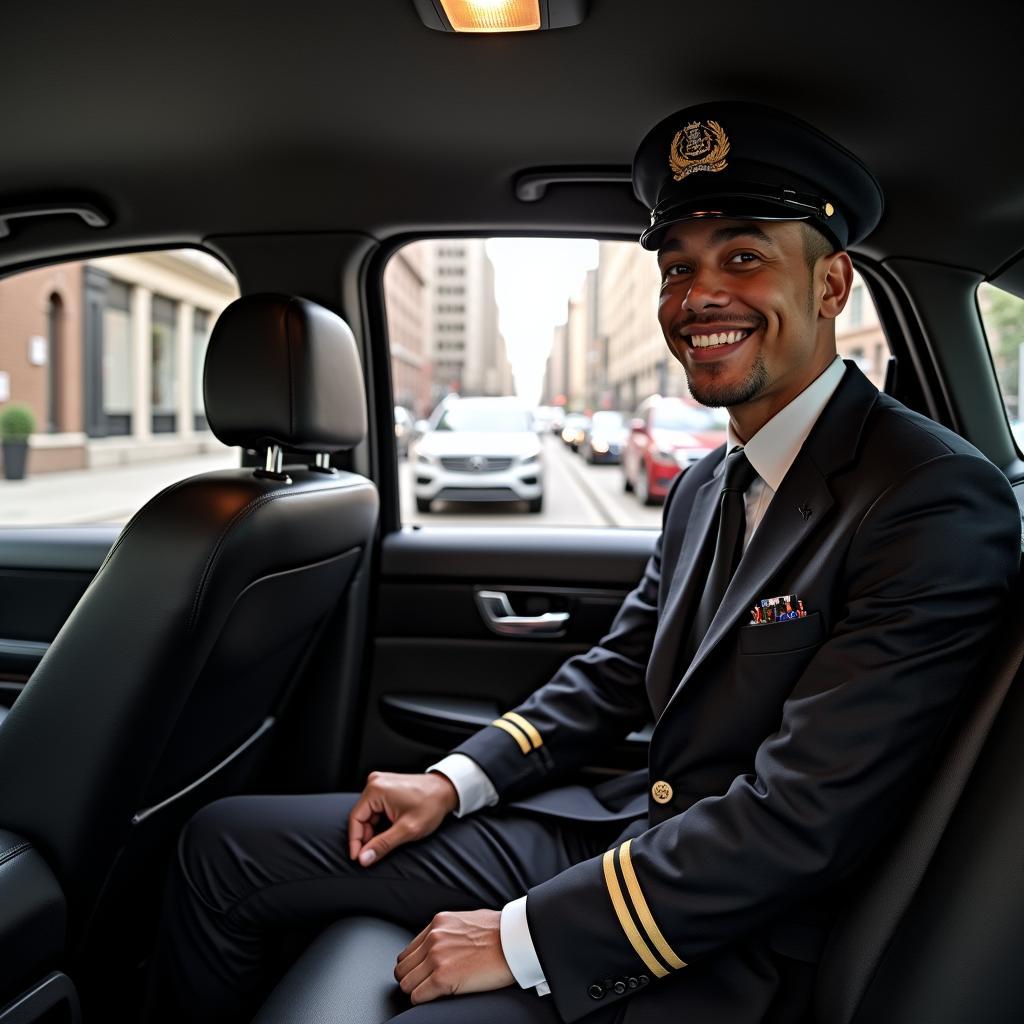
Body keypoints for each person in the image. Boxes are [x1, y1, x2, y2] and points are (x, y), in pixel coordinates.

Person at [147, 102, 1021, 1024]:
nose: (698, 296)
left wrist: (518, 938)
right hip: (622, 834)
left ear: (833, 283)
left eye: (744, 256)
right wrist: (454, 779)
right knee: (222, 846)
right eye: (677, 267)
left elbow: (805, 818)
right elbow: (615, 671)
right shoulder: (707, 483)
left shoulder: (928, 495)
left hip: (734, 930)